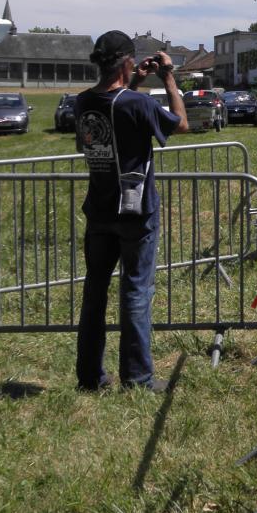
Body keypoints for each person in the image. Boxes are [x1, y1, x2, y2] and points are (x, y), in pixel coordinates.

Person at [74, 30, 187, 392]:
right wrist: (168, 77)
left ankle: (90, 377)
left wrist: (131, 81)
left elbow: (102, 124)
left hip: (99, 210)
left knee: (94, 292)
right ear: (127, 61)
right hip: (136, 214)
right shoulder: (137, 104)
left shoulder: (82, 101)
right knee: (136, 291)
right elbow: (180, 122)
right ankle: (137, 379)